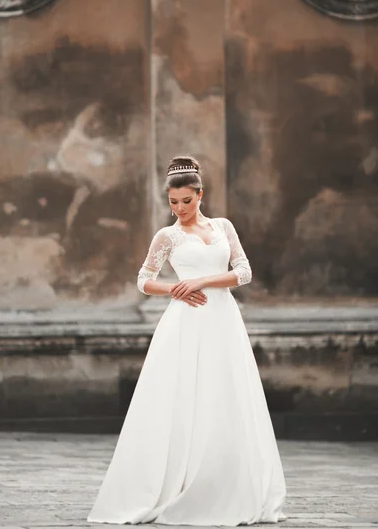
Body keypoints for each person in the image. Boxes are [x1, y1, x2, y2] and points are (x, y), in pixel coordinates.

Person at [87, 155, 286, 526]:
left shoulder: (223, 227)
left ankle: (227, 484)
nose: (179, 209)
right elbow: (143, 280)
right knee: (182, 399)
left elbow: (243, 272)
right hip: (186, 322)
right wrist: (176, 289)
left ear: (200, 195)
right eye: (173, 202)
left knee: (225, 396)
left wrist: (202, 280)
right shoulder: (167, 236)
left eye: (186, 201)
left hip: (223, 322)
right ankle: (175, 484)